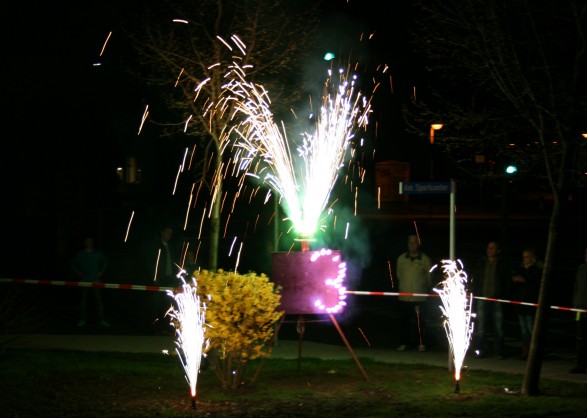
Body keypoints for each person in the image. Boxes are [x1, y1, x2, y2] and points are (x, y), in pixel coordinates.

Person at [471, 241, 512, 359]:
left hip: (497, 299)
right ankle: (480, 351)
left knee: (498, 328)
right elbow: (476, 279)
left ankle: (499, 351)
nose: (490, 250)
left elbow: (507, 281)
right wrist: (475, 293)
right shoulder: (481, 263)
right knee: (481, 327)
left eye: (493, 248)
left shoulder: (502, 264)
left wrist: (503, 295)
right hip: (482, 298)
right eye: (489, 248)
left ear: (498, 250)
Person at [395, 234, 433, 352]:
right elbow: (399, 275)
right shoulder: (401, 259)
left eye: (414, 242)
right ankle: (404, 343)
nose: (412, 244)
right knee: (404, 322)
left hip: (419, 297)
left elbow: (429, 277)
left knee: (420, 322)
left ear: (418, 244)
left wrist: (423, 289)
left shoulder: (425, 259)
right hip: (404, 297)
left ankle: (421, 343)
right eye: (410, 242)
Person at [71, 237, 110, 328]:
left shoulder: (97, 253)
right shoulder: (81, 254)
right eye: (87, 242)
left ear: (92, 243)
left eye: (90, 241)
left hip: (95, 280)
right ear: (85, 243)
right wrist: (78, 272)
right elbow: (73, 263)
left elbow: (105, 261)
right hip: (84, 281)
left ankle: (101, 320)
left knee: (98, 301)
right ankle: (82, 320)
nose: (89, 243)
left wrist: (101, 272)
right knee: (83, 302)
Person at [511, 248, 542, 360]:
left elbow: (537, 286)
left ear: (532, 258)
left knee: (531, 329)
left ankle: (534, 352)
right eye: (524, 257)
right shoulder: (520, 269)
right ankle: (525, 351)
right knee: (524, 330)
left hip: (530, 304)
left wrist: (524, 281)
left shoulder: (536, 271)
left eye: (527, 257)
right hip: (521, 304)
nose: (525, 259)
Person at [570, 247, 587, 374]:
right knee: (580, 337)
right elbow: (576, 287)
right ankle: (580, 364)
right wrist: (575, 304)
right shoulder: (581, 268)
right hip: (579, 308)